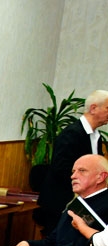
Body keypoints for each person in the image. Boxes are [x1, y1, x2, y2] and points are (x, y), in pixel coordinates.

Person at [11, 154, 108, 246]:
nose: (73, 176)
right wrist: (28, 244)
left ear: (101, 177)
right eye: (73, 171)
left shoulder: (105, 205)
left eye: (82, 171)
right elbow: (53, 241)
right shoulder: (76, 203)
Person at [34, 90, 108, 235]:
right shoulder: (72, 133)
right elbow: (61, 167)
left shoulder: (96, 136)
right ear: (93, 108)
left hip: (80, 201)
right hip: (61, 201)